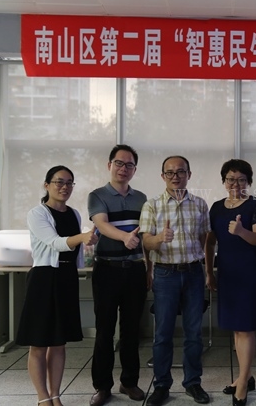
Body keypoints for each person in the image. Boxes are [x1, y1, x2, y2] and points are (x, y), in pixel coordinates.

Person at [17, 165, 98, 406]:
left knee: (59, 342)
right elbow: (54, 243)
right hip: (44, 279)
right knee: (39, 342)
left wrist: (88, 243)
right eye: (59, 182)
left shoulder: (74, 214)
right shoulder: (37, 213)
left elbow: (75, 249)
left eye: (69, 182)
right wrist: (82, 237)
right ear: (47, 185)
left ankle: (55, 394)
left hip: (66, 278)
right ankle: (43, 397)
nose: (65, 187)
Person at [140, 155, 212, 406]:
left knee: (194, 333)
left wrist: (208, 270)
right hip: (165, 274)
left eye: (180, 171)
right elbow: (146, 242)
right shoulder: (152, 205)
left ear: (189, 174)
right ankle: (161, 385)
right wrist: (159, 238)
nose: (175, 176)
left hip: (193, 273)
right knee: (163, 333)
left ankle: (193, 383)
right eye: (169, 172)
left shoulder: (200, 204)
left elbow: (205, 240)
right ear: (163, 176)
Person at [205, 159, 256, 406]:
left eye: (241, 179)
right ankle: (246, 375)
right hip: (227, 272)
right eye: (231, 179)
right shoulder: (216, 208)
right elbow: (210, 242)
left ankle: (242, 383)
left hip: (249, 271)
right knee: (236, 327)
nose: (235, 184)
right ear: (224, 181)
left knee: (246, 327)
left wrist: (241, 231)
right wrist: (209, 272)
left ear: (248, 182)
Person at [88, 145, 148, 406]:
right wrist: (125, 237)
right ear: (109, 165)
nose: (124, 168)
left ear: (135, 169)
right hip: (107, 270)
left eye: (129, 165)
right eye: (119, 163)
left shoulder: (141, 198)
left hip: (135, 270)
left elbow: (145, 234)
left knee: (132, 330)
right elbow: (101, 224)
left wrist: (149, 269)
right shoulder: (97, 195)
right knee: (104, 330)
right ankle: (102, 386)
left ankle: (129, 382)